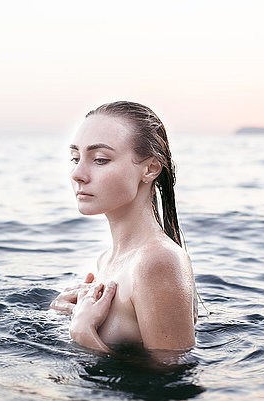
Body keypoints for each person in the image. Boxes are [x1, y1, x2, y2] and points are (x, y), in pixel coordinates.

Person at [50, 101, 198, 354]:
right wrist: (60, 313)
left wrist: (83, 335)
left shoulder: (158, 261)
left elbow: (173, 378)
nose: (77, 173)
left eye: (100, 159)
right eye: (75, 158)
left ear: (149, 169)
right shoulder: (106, 260)